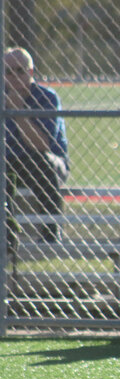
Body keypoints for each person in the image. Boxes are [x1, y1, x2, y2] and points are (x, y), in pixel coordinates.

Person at [4, 47, 69, 243]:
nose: (14, 77)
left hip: (46, 163)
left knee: (40, 161)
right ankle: (7, 234)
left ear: (31, 72)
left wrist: (17, 112)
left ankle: (51, 231)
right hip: (10, 163)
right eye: (8, 71)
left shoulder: (45, 97)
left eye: (20, 71)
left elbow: (42, 145)